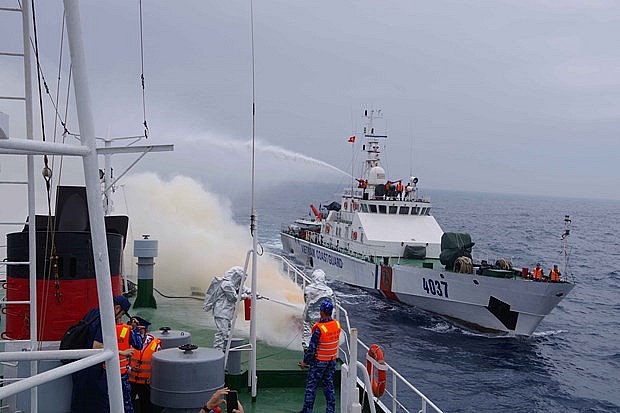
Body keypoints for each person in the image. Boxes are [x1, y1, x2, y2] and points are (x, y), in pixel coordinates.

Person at [70, 295, 141, 413]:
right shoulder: (105, 319)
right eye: (122, 314)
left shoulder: (94, 312)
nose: (120, 318)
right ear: (117, 308)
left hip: (81, 364)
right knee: (100, 404)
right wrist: (122, 352)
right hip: (93, 369)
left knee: (81, 400)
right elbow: (97, 346)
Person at [297, 300, 341, 413]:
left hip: (319, 363)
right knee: (329, 387)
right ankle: (330, 411)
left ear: (322, 312)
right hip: (331, 362)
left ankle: (307, 411)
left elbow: (311, 348)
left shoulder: (319, 329)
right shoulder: (336, 324)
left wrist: (304, 362)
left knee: (311, 388)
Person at [203, 266, 251, 351]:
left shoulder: (233, 284)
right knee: (222, 332)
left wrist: (253, 292)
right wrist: (246, 296)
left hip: (227, 312)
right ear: (236, 276)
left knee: (228, 331)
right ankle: (218, 351)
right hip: (221, 312)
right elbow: (233, 297)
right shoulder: (226, 284)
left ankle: (226, 347)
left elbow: (243, 288)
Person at [129, 316, 161, 413]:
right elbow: (124, 359)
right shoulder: (129, 341)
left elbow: (158, 364)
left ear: (145, 329)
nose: (138, 332)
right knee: (128, 403)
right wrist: (130, 369)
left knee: (146, 405)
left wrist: (153, 377)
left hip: (146, 382)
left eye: (139, 330)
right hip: (130, 379)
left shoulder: (155, 344)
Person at [302, 269, 334, 349]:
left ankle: (307, 356)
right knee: (322, 335)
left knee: (307, 336)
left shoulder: (308, 289)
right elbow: (332, 304)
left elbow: (305, 300)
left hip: (309, 316)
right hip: (323, 318)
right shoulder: (329, 291)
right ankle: (320, 352)